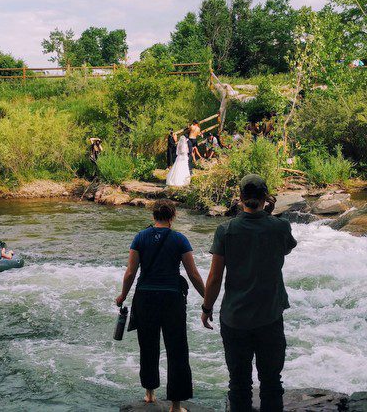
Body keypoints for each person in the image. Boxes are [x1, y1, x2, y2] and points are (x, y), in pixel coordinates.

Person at [201, 174, 297, 412]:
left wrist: (206, 308)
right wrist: (269, 214)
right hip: (270, 316)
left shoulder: (226, 230)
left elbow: (214, 278)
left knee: (239, 384)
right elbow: (285, 249)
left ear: (240, 197)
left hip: (235, 318)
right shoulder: (280, 227)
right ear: (266, 197)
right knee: (272, 383)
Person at [115, 200, 206, 412]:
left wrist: (122, 296)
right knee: (177, 350)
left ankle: (149, 394)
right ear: (172, 216)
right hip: (172, 299)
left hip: (145, 298)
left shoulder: (140, 237)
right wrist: (207, 298)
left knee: (148, 346)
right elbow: (192, 274)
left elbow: (131, 272)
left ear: (153, 216)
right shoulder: (179, 239)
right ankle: (175, 405)